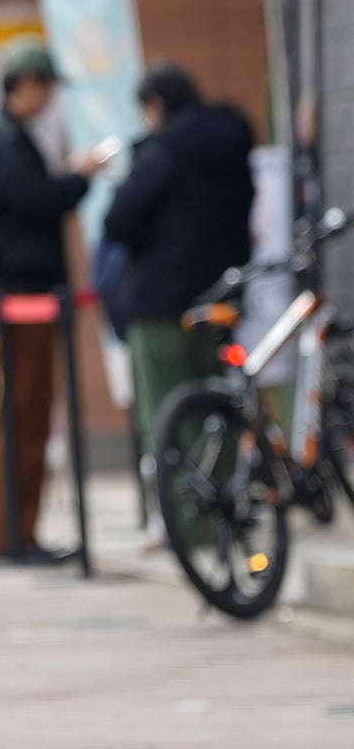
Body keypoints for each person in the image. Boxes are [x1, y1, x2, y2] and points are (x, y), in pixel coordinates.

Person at [0, 41, 103, 557]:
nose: (48, 97)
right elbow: (39, 201)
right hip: (16, 297)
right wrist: (78, 178)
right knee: (19, 413)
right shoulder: (3, 141)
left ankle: (16, 532)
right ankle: (10, 534)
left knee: (20, 413)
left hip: (14, 295)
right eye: (44, 85)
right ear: (25, 85)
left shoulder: (3, 139)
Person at [102, 62, 255, 472]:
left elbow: (118, 221)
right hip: (220, 301)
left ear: (155, 104)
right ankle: (223, 516)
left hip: (161, 304)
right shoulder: (233, 141)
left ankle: (185, 522)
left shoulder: (163, 151)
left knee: (166, 418)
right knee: (218, 413)